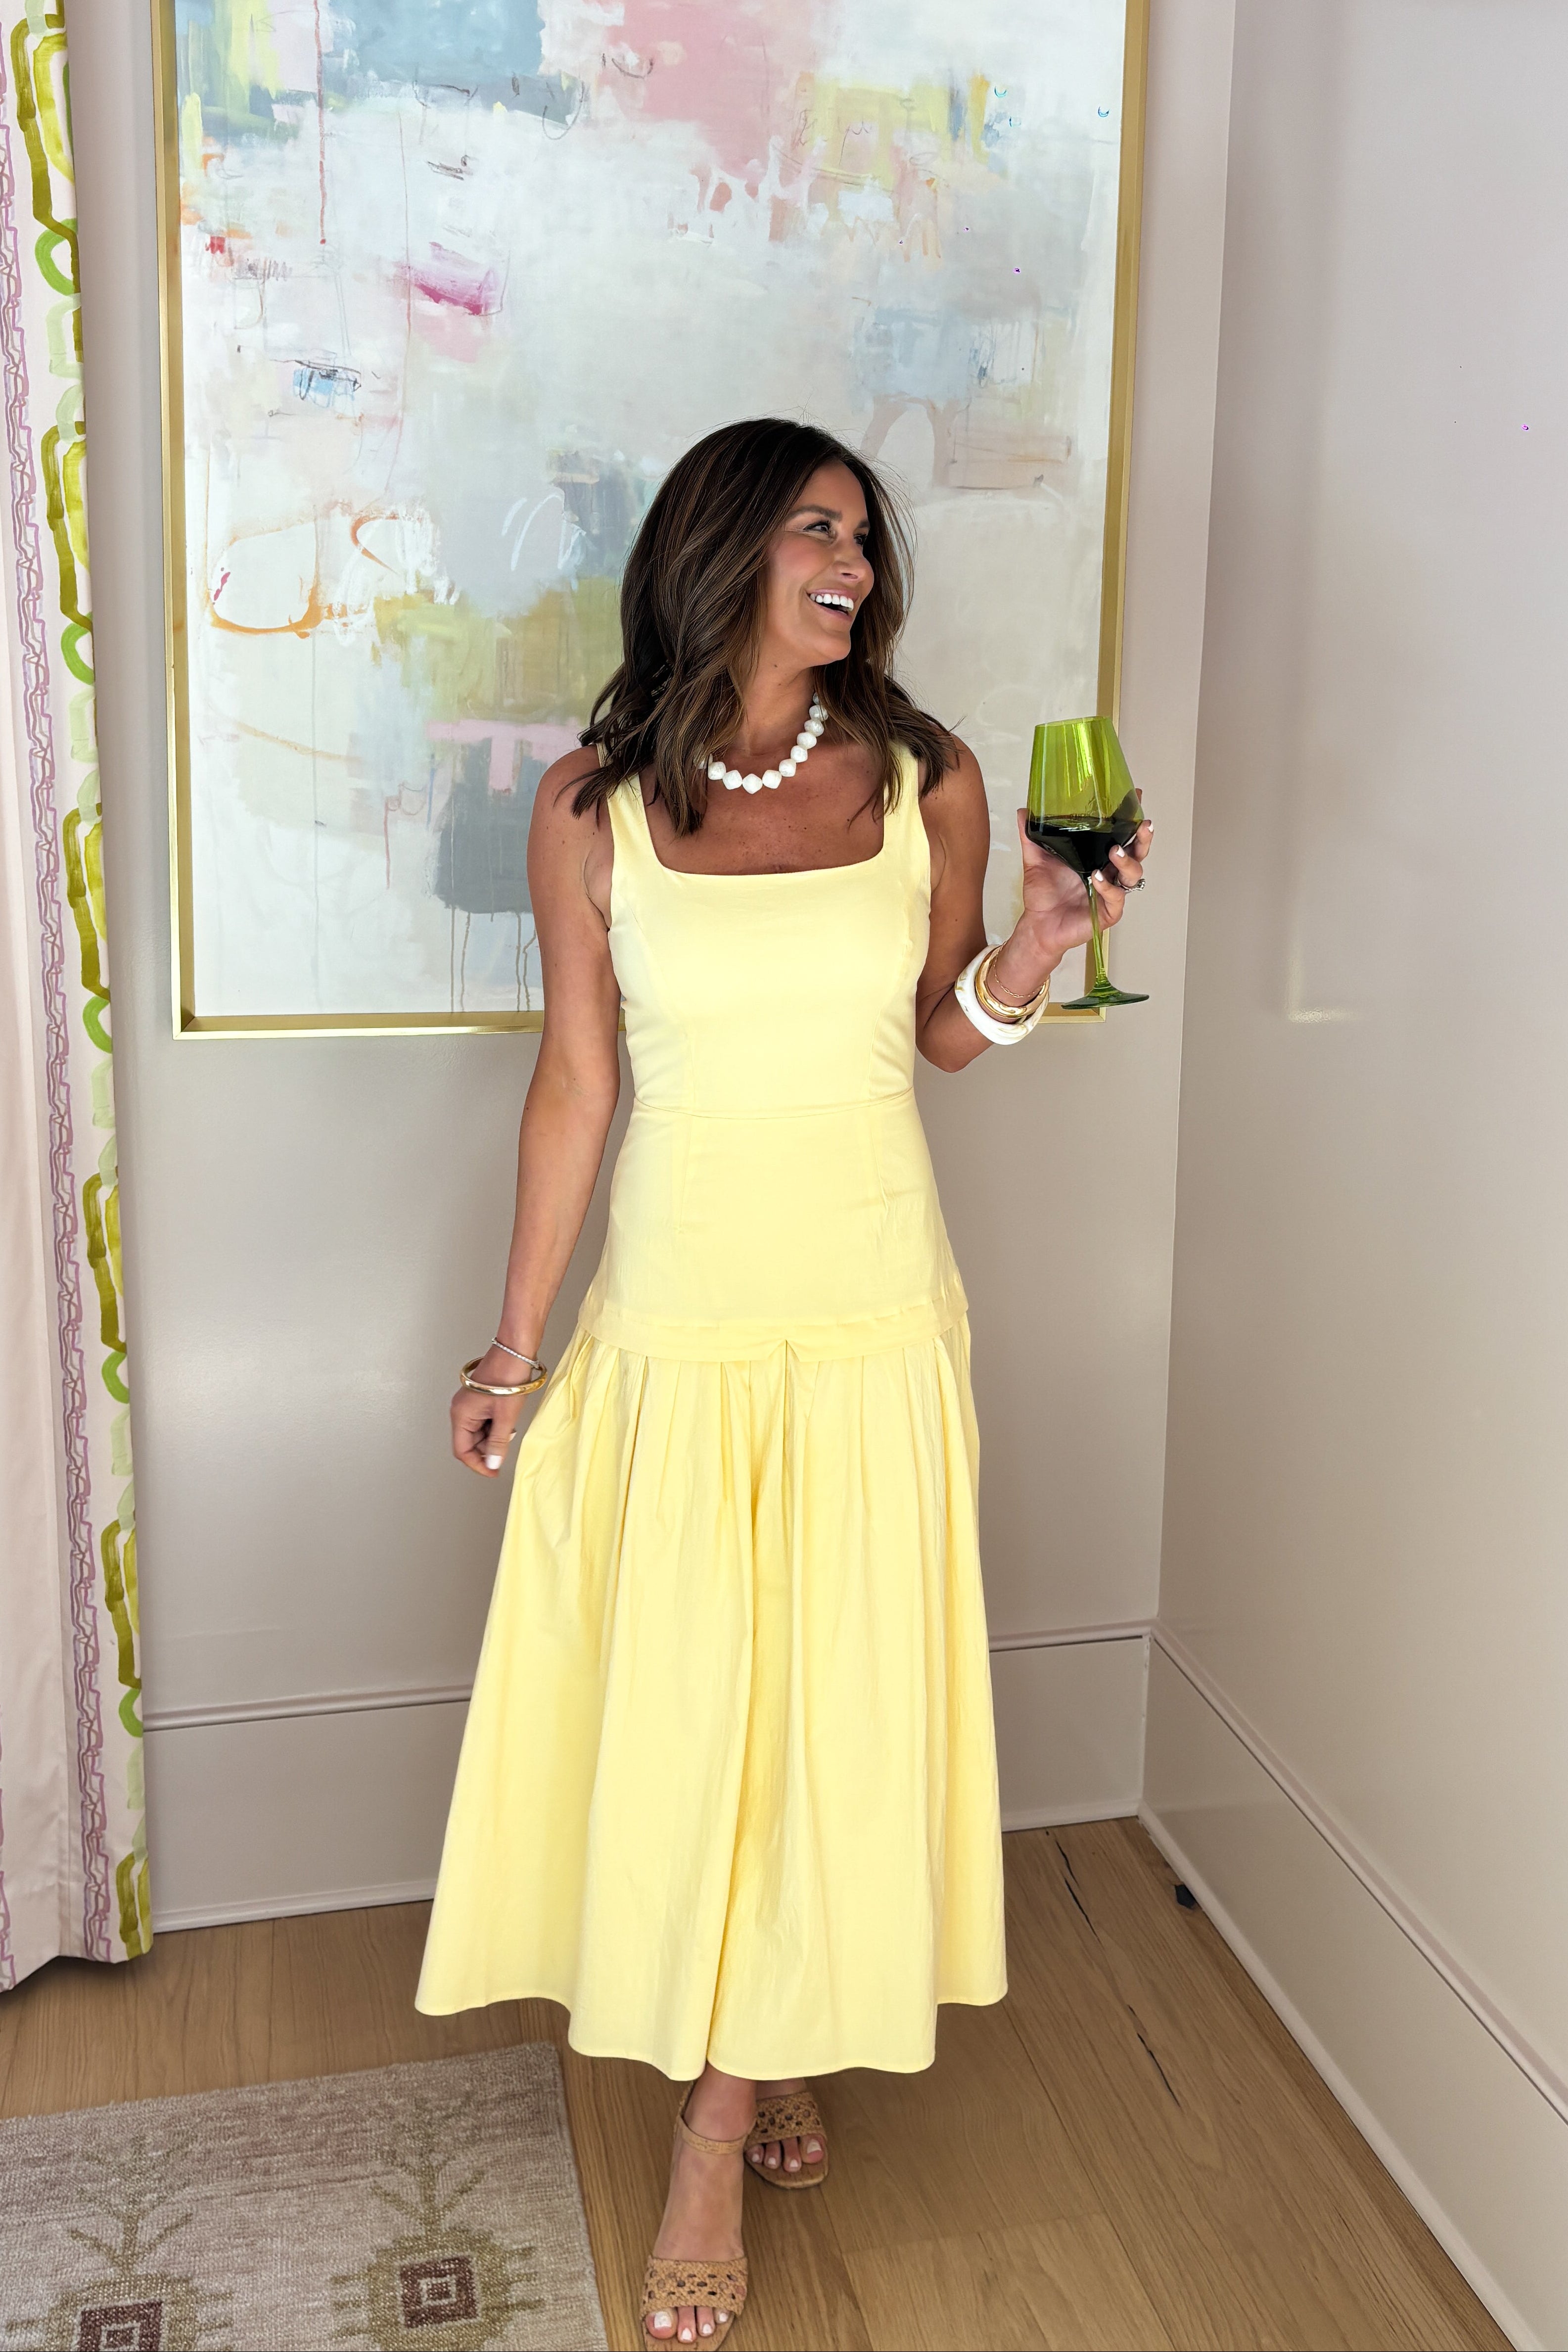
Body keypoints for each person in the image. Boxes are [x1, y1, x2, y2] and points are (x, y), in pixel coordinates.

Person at [416, 417, 1151, 2349]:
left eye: (866, 536)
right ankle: (764, 2034)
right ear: (721, 544)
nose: (855, 561)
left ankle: (713, 2126)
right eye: (818, 527)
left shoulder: (929, 778)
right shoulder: (588, 806)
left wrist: (1044, 943)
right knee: (699, 1721)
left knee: (822, 1714)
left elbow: (942, 1032)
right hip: (675, 1326)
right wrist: (515, 1345)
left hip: (871, 1322)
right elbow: (577, 1084)